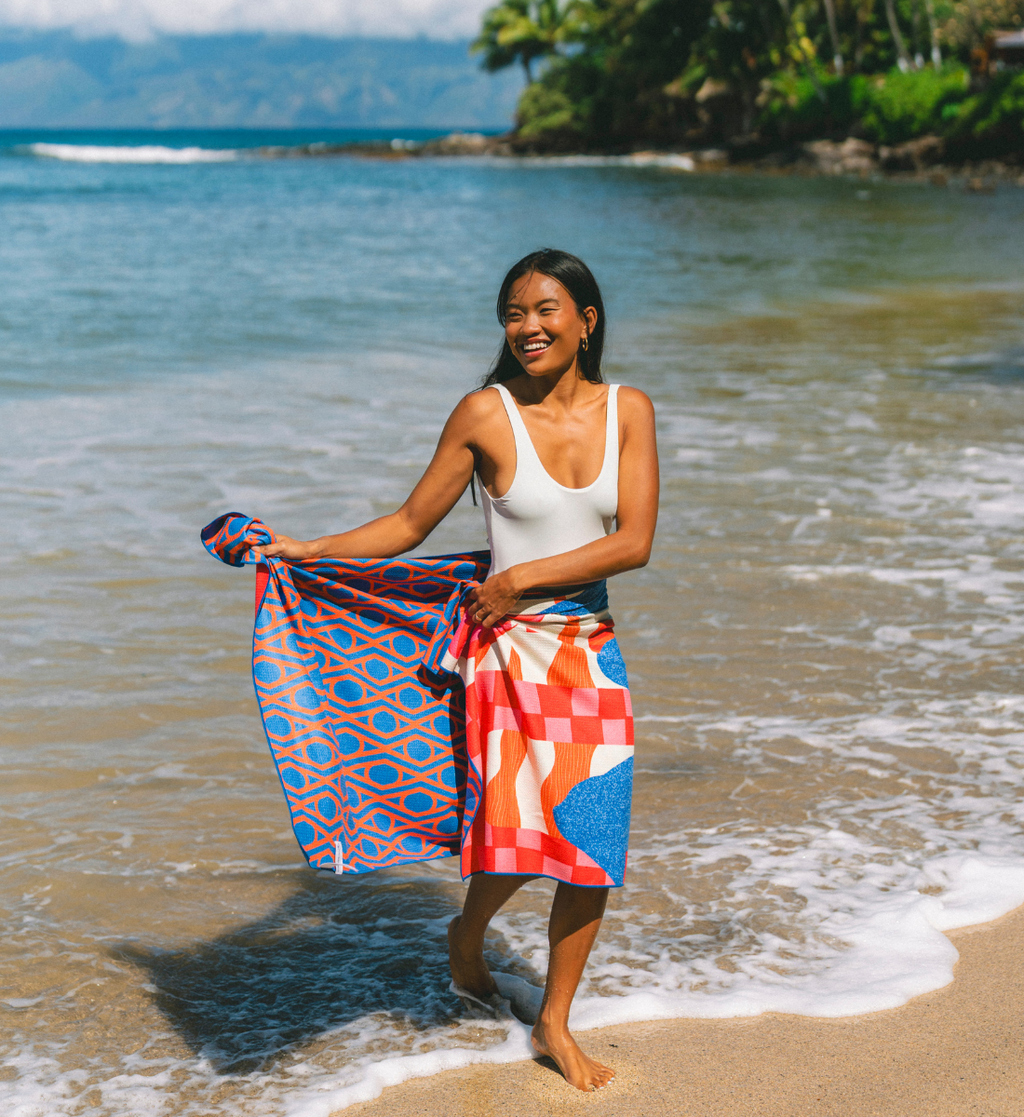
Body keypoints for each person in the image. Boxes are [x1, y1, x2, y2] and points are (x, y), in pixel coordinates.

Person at [254, 248, 659, 1092]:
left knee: (590, 840)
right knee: (516, 831)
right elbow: (407, 524)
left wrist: (516, 578)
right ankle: (465, 941)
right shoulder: (484, 413)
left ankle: (554, 1019)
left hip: (587, 650)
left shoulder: (629, 410)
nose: (527, 327)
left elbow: (634, 543)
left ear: (587, 320)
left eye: (545, 310)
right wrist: (308, 549)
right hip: (505, 657)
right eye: (513, 312)